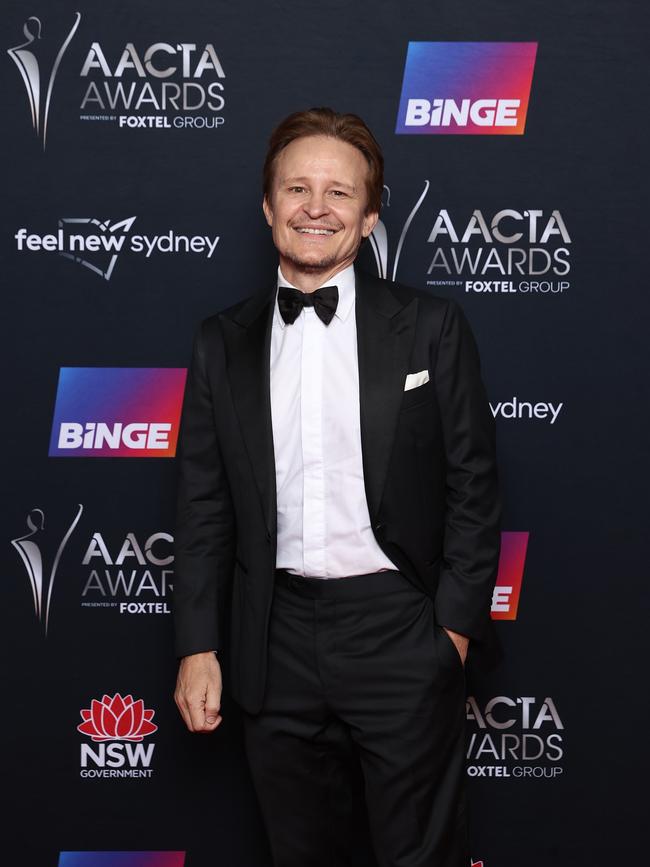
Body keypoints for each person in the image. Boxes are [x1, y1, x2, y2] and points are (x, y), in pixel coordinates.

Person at [172, 107, 501, 867]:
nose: (315, 206)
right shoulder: (221, 340)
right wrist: (199, 643)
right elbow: (201, 506)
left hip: (399, 629)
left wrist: (447, 638)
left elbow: (475, 492)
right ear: (268, 206)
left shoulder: (431, 327)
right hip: (273, 636)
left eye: (339, 192)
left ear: (370, 214)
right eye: (297, 187)